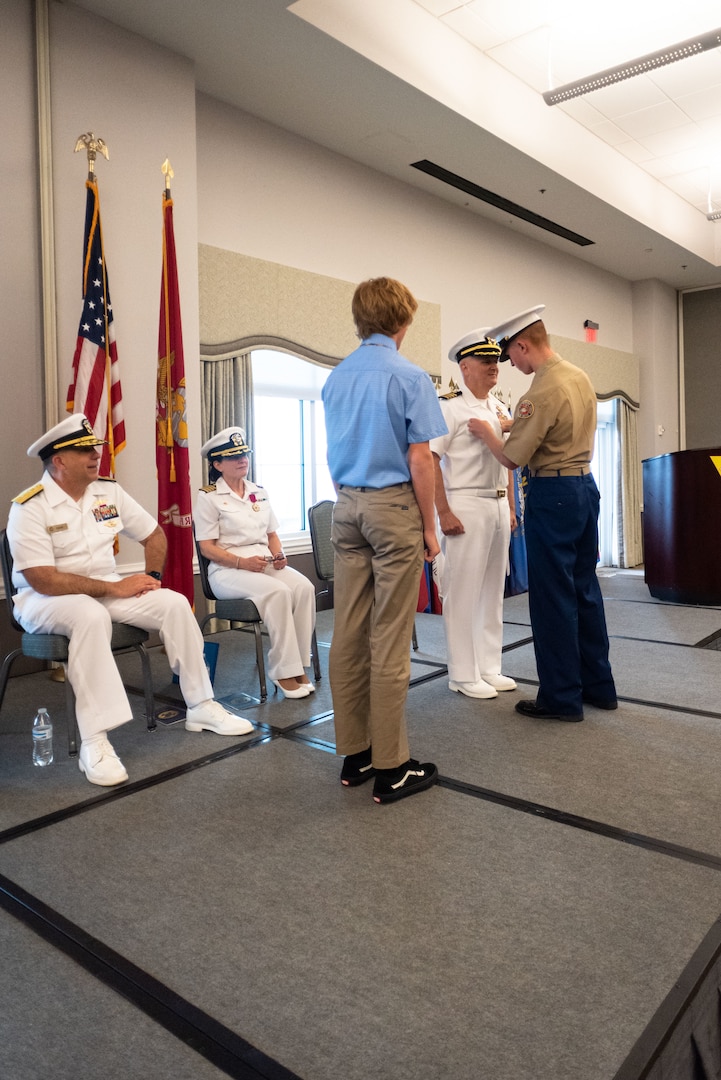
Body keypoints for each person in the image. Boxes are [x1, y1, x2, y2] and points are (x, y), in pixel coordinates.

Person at [6, 414, 255, 787]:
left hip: (104, 589)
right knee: (88, 615)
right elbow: (42, 578)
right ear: (58, 461)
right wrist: (114, 588)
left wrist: (151, 580)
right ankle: (95, 741)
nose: (95, 456)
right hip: (43, 599)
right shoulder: (29, 507)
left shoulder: (108, 491)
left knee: (172, 602)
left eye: (96, 449)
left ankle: (201, 705)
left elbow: (154, 535)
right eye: (85, 450)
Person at [321, 276, 448, 804]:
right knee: (390, 636)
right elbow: (420, 458)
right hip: (392, 507)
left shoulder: (336, 378)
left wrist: (352, 498)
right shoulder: (409, 375)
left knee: (348, 632)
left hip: (345, 505)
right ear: (402, 321)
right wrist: (428, 526)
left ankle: (355, 754)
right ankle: (393, 766)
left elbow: (336, 450)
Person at [467, 305, 617, 722]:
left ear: (523, 345)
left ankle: (561, 698)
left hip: (552, 493)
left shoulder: (540, 391)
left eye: (509, 356)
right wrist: (514, 422)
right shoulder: (577, 375)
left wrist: (489, 432)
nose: (508, 364)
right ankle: (599, 687)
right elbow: (557, 425)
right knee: (585, 590)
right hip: (584, 487)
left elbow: (513, 460)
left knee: (552, 600)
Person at [193, 427, 316, 699]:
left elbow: (272, 534)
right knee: (278, 592)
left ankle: (299, 666)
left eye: (244, 454)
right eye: (234, 456)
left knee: (304, 588)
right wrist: (241, 562)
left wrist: (280, 554)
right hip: (226, 570)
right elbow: (207, 548)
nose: (242, 459)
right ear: (217, 464)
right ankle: (283, 670)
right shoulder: (209, 496)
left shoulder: (258, 491)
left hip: (263, 562)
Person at [430, 330, 518, 700]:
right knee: (462, 592)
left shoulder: (499, 408)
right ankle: (463, 673)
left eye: (495, 361)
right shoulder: (448, 406)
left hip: (497, 504)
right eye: (485, 361)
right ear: (465, 367)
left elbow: (509, 460)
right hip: (463, 503)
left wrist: (512, 506)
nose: (493, 367)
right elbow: (430, 460)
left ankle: (488, 666)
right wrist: (443, 511)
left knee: (492, 590)